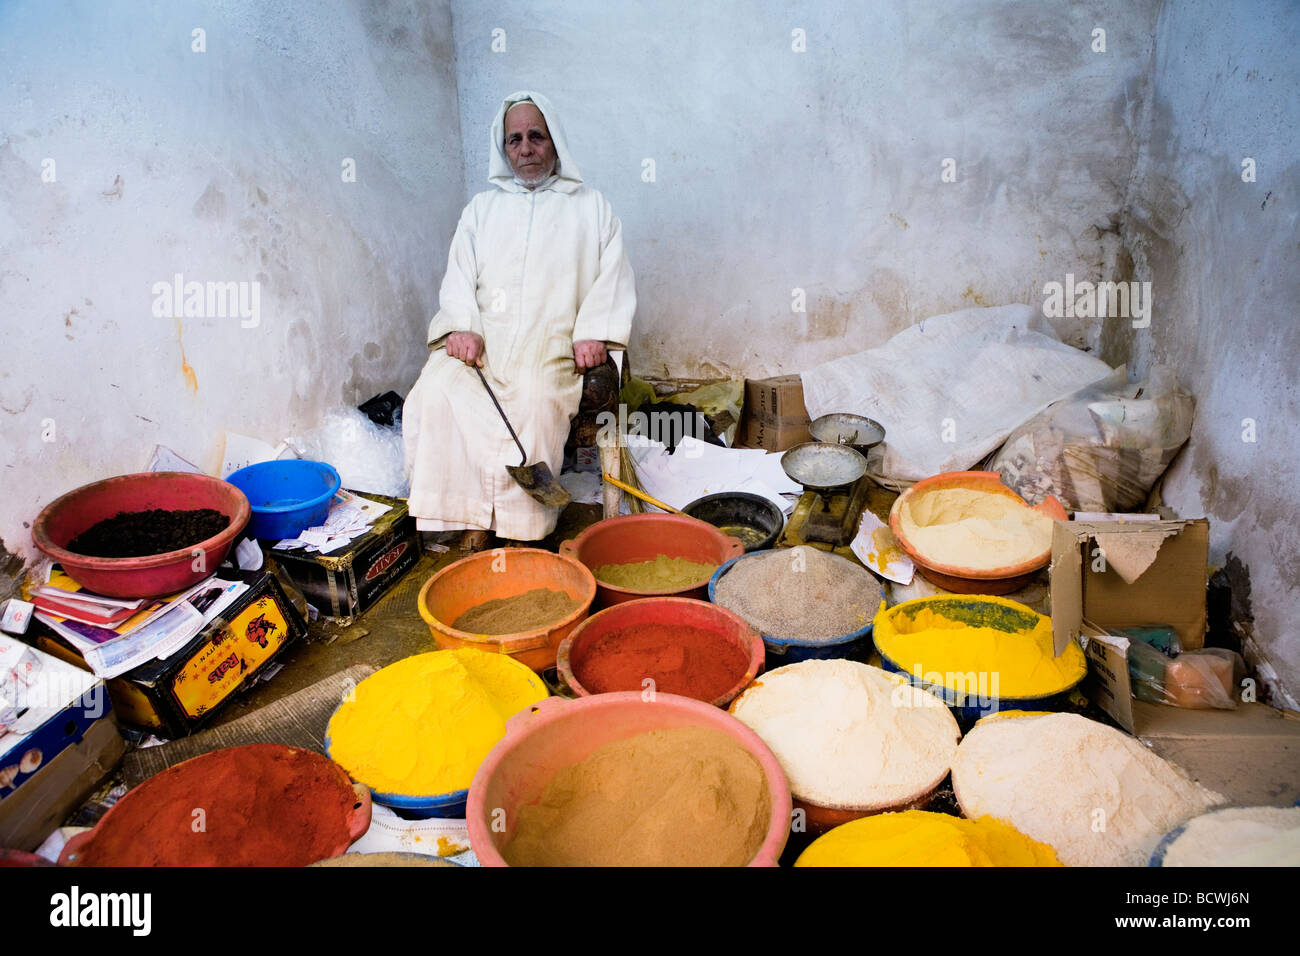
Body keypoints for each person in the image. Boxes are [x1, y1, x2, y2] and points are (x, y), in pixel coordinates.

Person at [403, 91, 636, 551]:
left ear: (554, 141)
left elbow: (613, 277)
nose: (525, 149)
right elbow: (458, 277)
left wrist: (594, 333)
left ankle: (520, 528)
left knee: (533, 399)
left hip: (550, 340)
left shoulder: (591, 207)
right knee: (435, 394)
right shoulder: (481, 210)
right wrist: (461, 325)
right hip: (484, 341)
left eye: (536, 136)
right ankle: (470, 514)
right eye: (514, 140)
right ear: (503, 147)